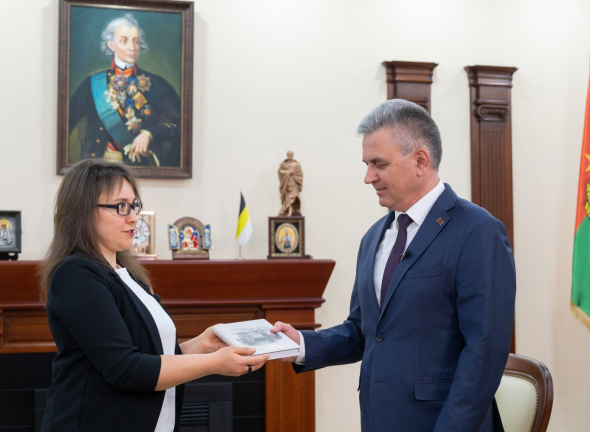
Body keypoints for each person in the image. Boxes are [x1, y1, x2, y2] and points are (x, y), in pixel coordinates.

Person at [272, 99, 516, 432]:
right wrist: (300, 343)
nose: (368, 177)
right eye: (366, 164)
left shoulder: (478, 231)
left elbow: (484, 351)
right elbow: (363, 330)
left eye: (379, 164)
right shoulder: (374, 237)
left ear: (420, 160)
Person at [39, 159, 268, 432]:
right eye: (121, 206)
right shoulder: (76, 274)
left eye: (133, 205)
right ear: (83, 211)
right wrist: (214, 363)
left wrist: (201, 345)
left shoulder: (127, 275)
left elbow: (149, 357)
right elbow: (127, 369)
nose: (133, 217)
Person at [69, 13, 181, 167]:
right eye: (124, 41)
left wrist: (150, 133)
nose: (132, 47)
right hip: (95, 168)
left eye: (136, 41)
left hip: (139, 169)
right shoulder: (92, 84)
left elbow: (183, 125)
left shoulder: (157, 84)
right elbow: (64, 124)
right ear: (111, 44)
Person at [278, 150, 303, 216]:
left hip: (294, 182)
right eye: (288, 154)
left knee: (294, 196)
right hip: (286, 182)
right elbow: (280, 171)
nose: (289, 156)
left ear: (292, 155)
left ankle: (295, 209)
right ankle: (289, 210)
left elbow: (300, 174)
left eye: (290, 154)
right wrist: (288, 172)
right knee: (287, 197)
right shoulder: (284, 164)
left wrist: (300, 184)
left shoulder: (296, 164)